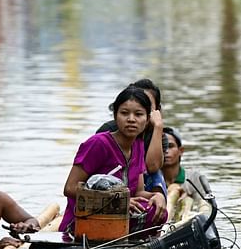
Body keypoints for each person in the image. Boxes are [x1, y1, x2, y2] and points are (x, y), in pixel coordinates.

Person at [60, 86, 167, 233]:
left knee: (158, 210)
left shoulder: (139, 145)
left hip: (116, 219)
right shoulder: (98, 144)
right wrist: (116, 201)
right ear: (116, 116)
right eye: (124, 113)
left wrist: (158, 195)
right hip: (85, 221)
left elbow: (139, 193)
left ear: (148, 119)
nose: (131, 119)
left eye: (138, 114)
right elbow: (70, 188)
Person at [97, 79, 166, 195]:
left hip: (140, 188)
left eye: (144, 106)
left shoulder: (155, 135)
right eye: (125, 113)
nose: (131, 119)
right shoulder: (105, 134)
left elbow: (152, 167)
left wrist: (158, 127)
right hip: (108, 190)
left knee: (157, 177)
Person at [161, 126, 206, 198]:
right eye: (162, 147)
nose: (166, 151)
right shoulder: (150, 180)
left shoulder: (194, 178)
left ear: (181, 151)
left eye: (170, 146)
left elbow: (205, 205)